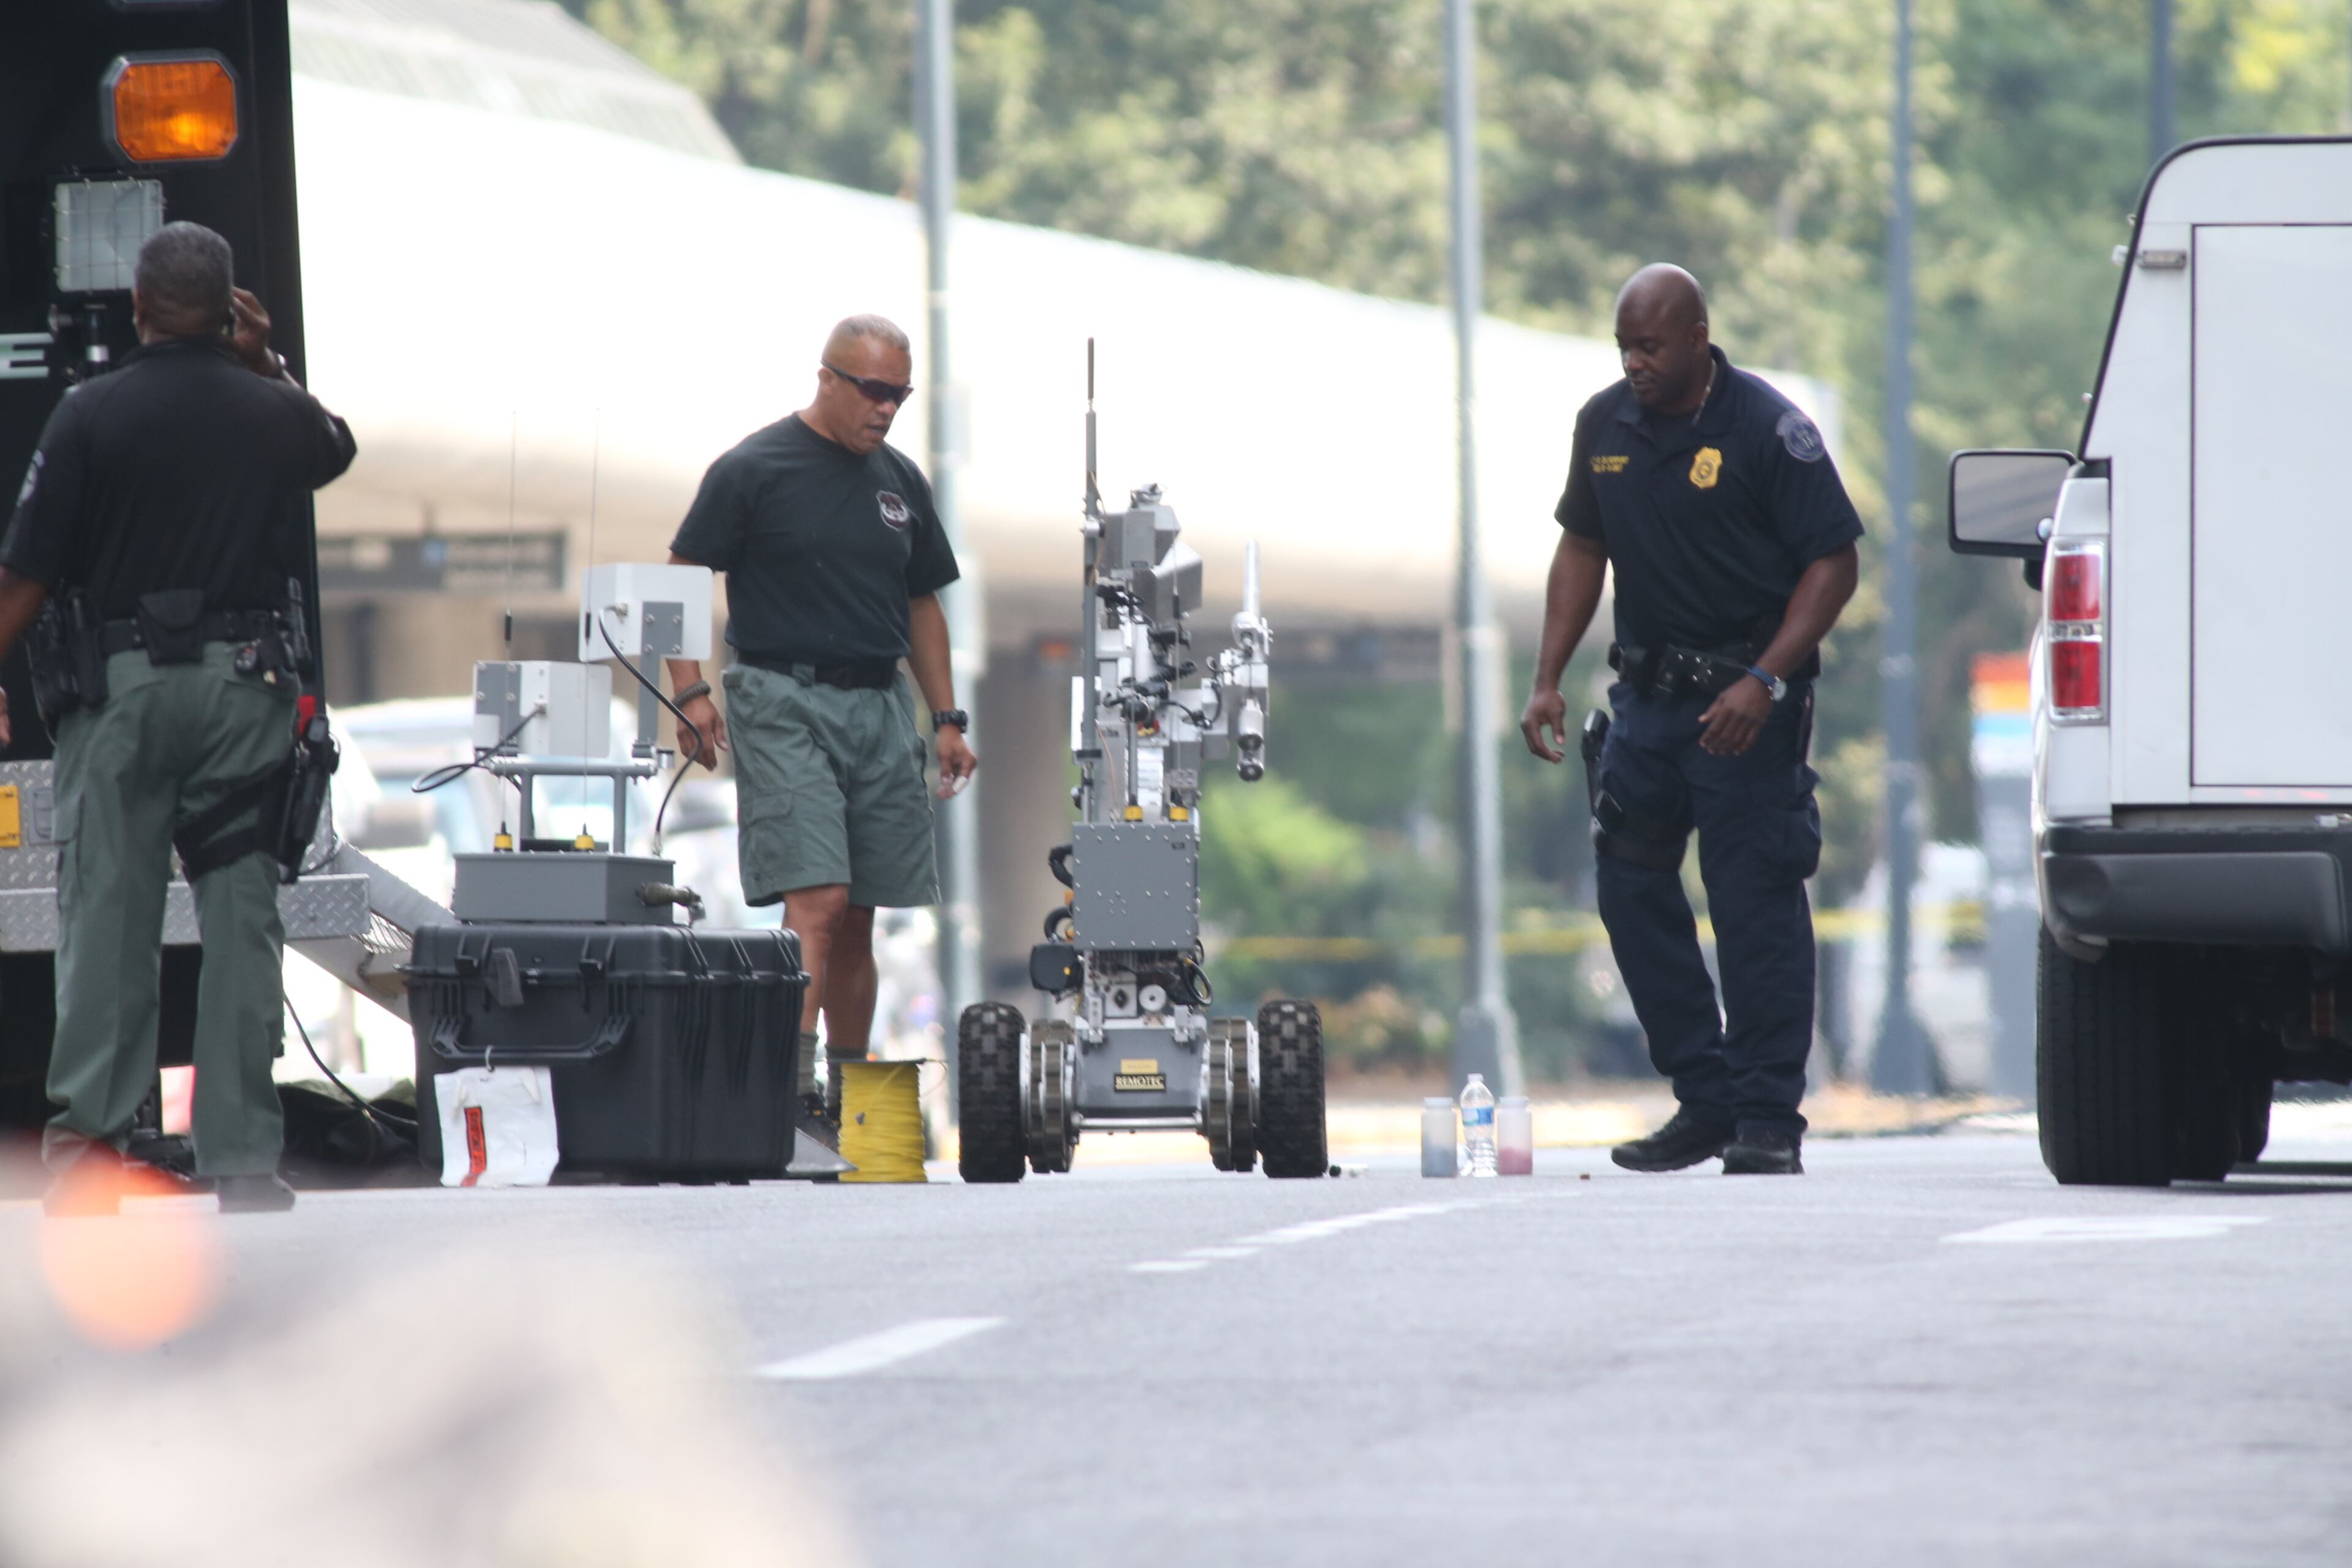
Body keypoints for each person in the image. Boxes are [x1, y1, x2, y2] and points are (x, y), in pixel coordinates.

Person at [0, 222, 356, 1215]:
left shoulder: (89, 414)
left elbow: (25, 574)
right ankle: (243, 1157)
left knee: (109, 915)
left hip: (123, 697)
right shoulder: (272, 415)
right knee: (243, 913)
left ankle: (90, 1166)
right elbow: (334, 445)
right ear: (232, 307)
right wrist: (269, 361)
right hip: (244, 694)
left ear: (141, 307)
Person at [1521, 264, 1860, 1177]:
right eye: (1625, 345)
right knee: (1629, 888)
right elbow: (1582, 548)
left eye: (1651, 345)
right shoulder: (1605, 426)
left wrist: (1765, 680)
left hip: (1745, 707)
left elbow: (1834, 564)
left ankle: (1765, 1119)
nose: (1635, 362)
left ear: (1699, 335)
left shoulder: (1765, 428)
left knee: (1753, 906)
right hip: (1647, 706)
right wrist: (1548, 677)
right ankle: (1704, 1098)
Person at [663, 314, 977, 1108]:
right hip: (781, 695)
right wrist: (692, 693)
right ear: (828, 380)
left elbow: (923, 602)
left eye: (899, 396)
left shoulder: (900, 481)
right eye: (872, 391)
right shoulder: (754, 468)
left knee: (861, 913)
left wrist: (946, 718)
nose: (885, 409)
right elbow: (681, 574)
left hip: (878, 703)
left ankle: (852, 1095)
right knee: (820, 900)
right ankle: (791, 1093)